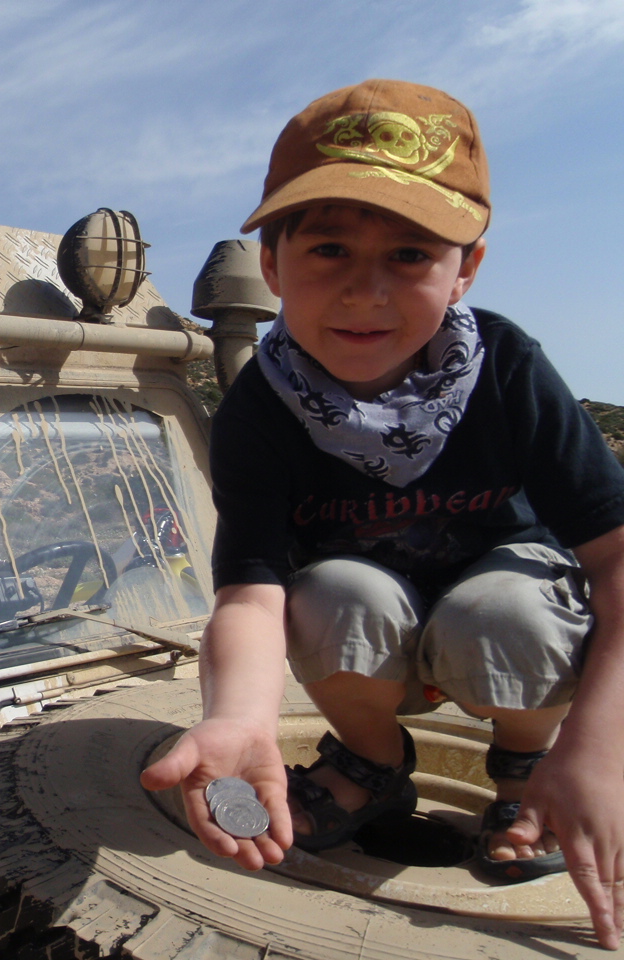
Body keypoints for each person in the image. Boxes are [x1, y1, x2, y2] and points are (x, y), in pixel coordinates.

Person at [140, 78, 624, 949]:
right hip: (370, 627)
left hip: (506, 617)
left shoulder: (506, 367)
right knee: (327, 593)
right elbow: (251, 592)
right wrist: (239, 718)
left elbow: (618, 560)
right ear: (276, 267)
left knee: (502, 612)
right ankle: (372, 759)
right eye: (328, 250)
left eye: (409, 256)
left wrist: (602, 748)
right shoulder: (262, 407)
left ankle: (526, 762)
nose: (366, 292)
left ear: (465, 268)